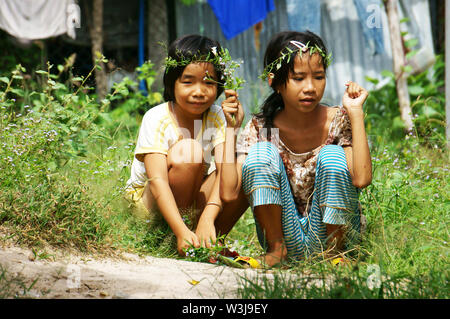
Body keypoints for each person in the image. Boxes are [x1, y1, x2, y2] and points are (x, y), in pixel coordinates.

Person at [220, 31, 372, 267]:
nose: (310, 87)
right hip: (284, 235)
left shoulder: (338, 120)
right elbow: (229, 194)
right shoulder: (262, 127)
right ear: (274, 82)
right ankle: (275, 251)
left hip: (332, 237)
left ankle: (333, 253)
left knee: (332, 155)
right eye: (298, 78)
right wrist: (231, 130)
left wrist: (355, 113)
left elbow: (361, 178)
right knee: (261, 155)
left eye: (318, 77)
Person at [125, 34, 248, 256]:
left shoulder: (218, 117)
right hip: (150, 208)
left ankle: (205, 243)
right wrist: (181, 230)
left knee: (245, 165)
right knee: (189, 151)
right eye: (188, 81)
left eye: (209, 82)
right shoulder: (157, 118)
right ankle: (173, 239)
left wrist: (232, 130)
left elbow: (229, 190)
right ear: (172, 82)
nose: (199, 91)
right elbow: (158, 181)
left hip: (190, 201)